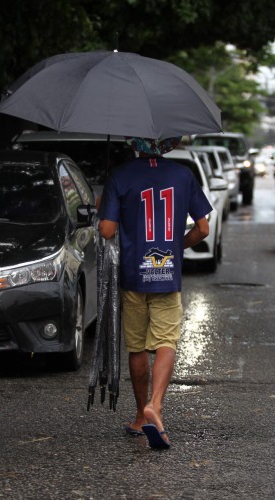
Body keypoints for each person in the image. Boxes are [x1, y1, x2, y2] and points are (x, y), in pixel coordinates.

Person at [98, 136, 212, 450]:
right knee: (166, 341)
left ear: (135, 143)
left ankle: (139, 415)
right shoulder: (183, 175)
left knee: (136, 346)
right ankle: (156, 406)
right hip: (167, 272)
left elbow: (107, 230)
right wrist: (177, 245)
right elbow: (203, 229)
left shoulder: (120, 175)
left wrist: (103, 208)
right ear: (168, 145)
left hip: (133, 275)